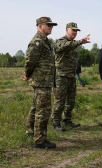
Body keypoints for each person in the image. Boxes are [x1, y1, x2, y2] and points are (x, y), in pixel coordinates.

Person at [23, 16, 57, 149]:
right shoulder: (37, 41)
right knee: (43, 111)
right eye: (48, 25)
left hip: (44, 81)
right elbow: (30, 61)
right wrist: (27, 74)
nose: (51, 27)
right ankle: (40, 140)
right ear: (39, 25)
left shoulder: (45, 41)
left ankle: (30, 132)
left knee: (36, 108)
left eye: (52, 25)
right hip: (41, 81)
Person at [51, 22, 90, 131]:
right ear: (67, 30)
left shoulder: (74, 44)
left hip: (71, 76)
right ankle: (56, 123)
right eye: (73, 30)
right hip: (61, 77)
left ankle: (67, 120)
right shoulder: (60, 41)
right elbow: (64, 47)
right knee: (60, 101)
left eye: (76, 31)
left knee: (71, 101)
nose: (75, 32)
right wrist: (80, 42)